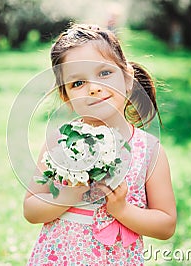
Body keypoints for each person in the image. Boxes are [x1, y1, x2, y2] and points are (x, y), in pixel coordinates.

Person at [23, 24, 176, 265]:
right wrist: (68, 194)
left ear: (127, 79)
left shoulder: (148, 151)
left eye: (104, 73)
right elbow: (31, 209)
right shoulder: (60, 143)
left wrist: (122, 210)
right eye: (77, 83)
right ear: (67, 99)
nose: (94, 88)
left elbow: (166, 224)